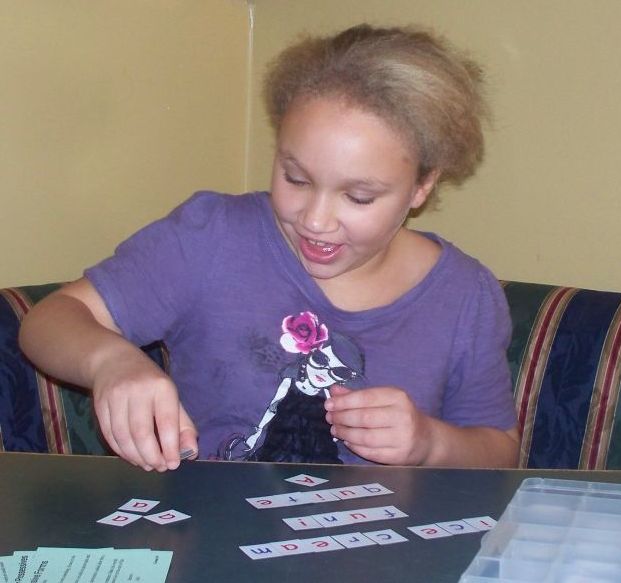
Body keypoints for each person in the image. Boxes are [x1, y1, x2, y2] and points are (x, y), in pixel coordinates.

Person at [19, 24, 520, 472]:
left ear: (421, 188)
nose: (316, 220)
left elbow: (498, 449)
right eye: (296, 178)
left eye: (359, 196)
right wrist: (110, 362)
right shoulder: (211, 237)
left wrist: (430, 443)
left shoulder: (463, 294)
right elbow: (48, 321)